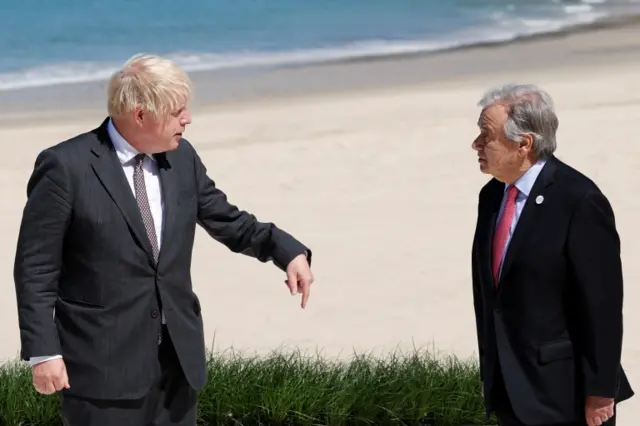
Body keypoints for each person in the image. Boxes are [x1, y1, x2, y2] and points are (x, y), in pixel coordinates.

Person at [13, 53, 314, 426]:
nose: (187, 119)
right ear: (140, 115)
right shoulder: (65, 167)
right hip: (101, 371)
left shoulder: (181, 158)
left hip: (177, 365)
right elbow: (35, 268)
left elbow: (228, 221)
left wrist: (287, 251)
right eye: (177, 111)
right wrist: (43, 353)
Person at [470, 83, 633, 426]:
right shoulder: (491, 198)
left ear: (524, 143)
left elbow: (601, 306)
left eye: (486, 136)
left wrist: (601, 391)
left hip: (564, 394)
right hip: (509, 390)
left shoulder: (578, 200)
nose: (476, 145)